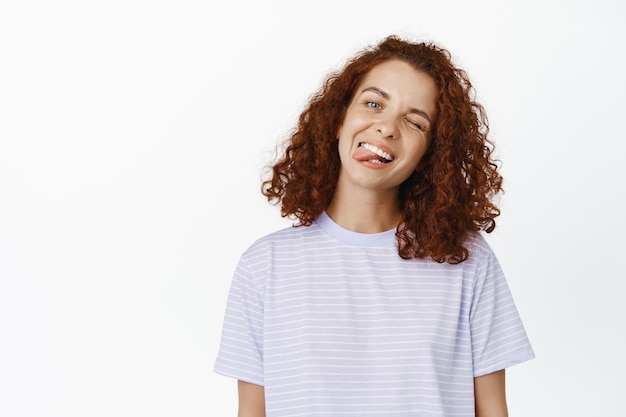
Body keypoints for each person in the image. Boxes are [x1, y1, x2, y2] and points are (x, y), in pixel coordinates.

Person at [214, 35, 534, 417]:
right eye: (373, 104)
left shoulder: (466, 259)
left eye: (415, 121)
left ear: (429, 154)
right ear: (338, 120)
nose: (386, 127)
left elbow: (493, 410)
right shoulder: (264, 266)